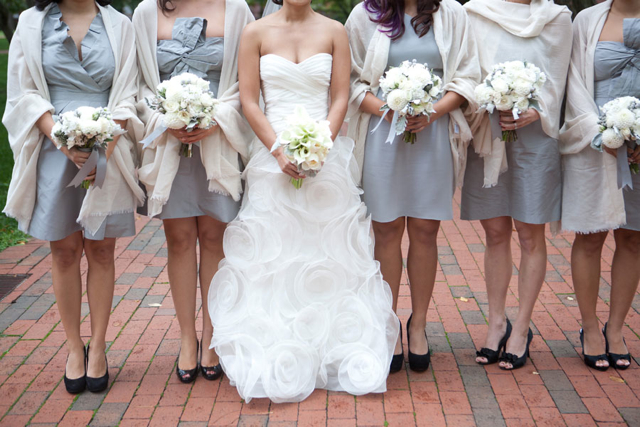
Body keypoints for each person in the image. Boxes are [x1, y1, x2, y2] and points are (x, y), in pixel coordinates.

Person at [207, 0, 399, 402]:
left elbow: (340, 97)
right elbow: (249, 101)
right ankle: (280, 348)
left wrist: (319, 147)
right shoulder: (255, 32)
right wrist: (279, 151)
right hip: (271, 158)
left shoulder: (333, 31)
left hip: (325, 159)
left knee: (327, 254)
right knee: (275, 256)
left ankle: (329, 350)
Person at [3, 0, 144, 393]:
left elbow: (128, 92)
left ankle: (97, 347)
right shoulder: (31, 24)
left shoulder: (120, 25)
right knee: (64, 252)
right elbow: (23, 93)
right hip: (54, 150)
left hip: (108, 149)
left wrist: (107, 140)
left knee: (101, 250)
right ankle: (72, 348)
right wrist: (60, 139)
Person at [346, 0, 479, 373]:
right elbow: (351, 81)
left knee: (424, 229)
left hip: (433, 135)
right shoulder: (364, 14)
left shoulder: (451, 13)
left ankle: (417, 323)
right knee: (386, 230)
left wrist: (432, 111)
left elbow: (468, 75)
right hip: (380, 134)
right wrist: (389, 111)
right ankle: (387, 325)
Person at [133, 0, 254, 383]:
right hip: (170, 143)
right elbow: (137, 82)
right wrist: (166, 118)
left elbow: (248, 79)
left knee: (215, 236)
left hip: (219, 139)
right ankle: (187, 337)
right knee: (180, 238)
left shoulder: (236, 10)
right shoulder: (146, 12)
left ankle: (212, 337)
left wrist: (214, 116)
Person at [460, 0, 572, 370]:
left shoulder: (556, 19)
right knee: (494, 231)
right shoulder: (475, 12)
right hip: (489, 132)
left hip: (537, 137)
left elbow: (559, 81)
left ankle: (521, 327)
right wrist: (489, 100)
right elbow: (468, 70)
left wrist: (536, 110)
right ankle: (496, 322)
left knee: (529, 234)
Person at [560, 0, 640, 371]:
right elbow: (573, 83)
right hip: (595, 146)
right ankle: (590, 327)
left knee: (633, 238)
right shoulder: (587, 20)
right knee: (591, 235)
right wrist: (604, 135)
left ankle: (617, 329)